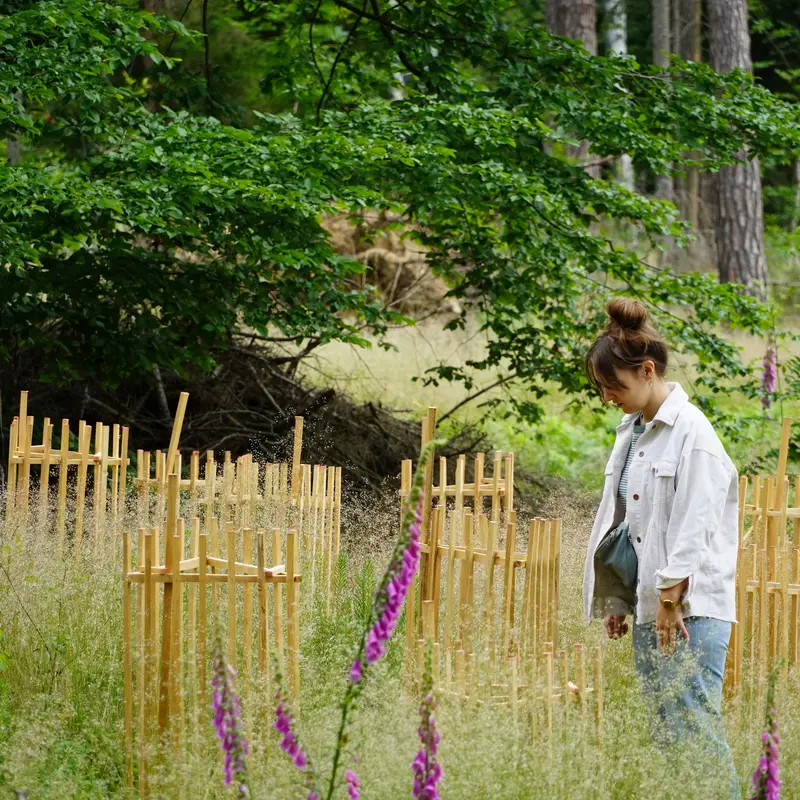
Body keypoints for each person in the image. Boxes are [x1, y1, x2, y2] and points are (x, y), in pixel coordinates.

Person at [582, 297, 740, 797]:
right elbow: (626, 523)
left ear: (647, 371)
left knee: (696, 736)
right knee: (668, 735)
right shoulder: (632, 433)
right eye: (602, 388)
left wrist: (671, 600)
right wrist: (617, 597)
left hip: (690, 611)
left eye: (614, 386)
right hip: (654, 606)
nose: (607, 397)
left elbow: (696, 522)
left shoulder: (693, 433)